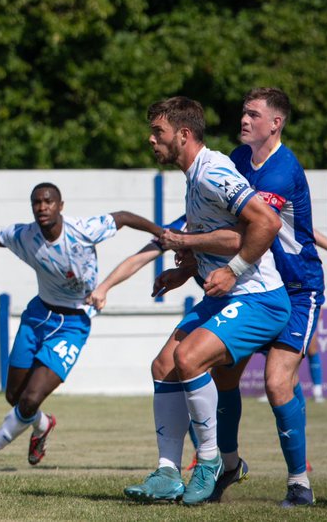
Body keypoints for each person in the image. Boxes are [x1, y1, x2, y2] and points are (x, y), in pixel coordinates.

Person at [0, 184, 161, 472]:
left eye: (48, 202)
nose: (42, 208)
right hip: (38, 316)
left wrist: (161, 233)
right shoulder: (24, 236)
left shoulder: (83, 229)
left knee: (30, 399)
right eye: (36, 203)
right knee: (15, 397)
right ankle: (44, 424)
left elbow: (124, 216)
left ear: (60, 205)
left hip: (73, 324)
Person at [124, 96, 288, 506]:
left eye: (158, 132)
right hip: (230, 295)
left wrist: (220, 263)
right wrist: (187, 266)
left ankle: (211, 462)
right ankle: (166, 472)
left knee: (189, 359)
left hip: (260, 297)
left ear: (182, 134)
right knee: (163, 365)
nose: (151, 139)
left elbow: (263, 224)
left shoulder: (213, 171)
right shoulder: (194, 176)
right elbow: (225, 232)